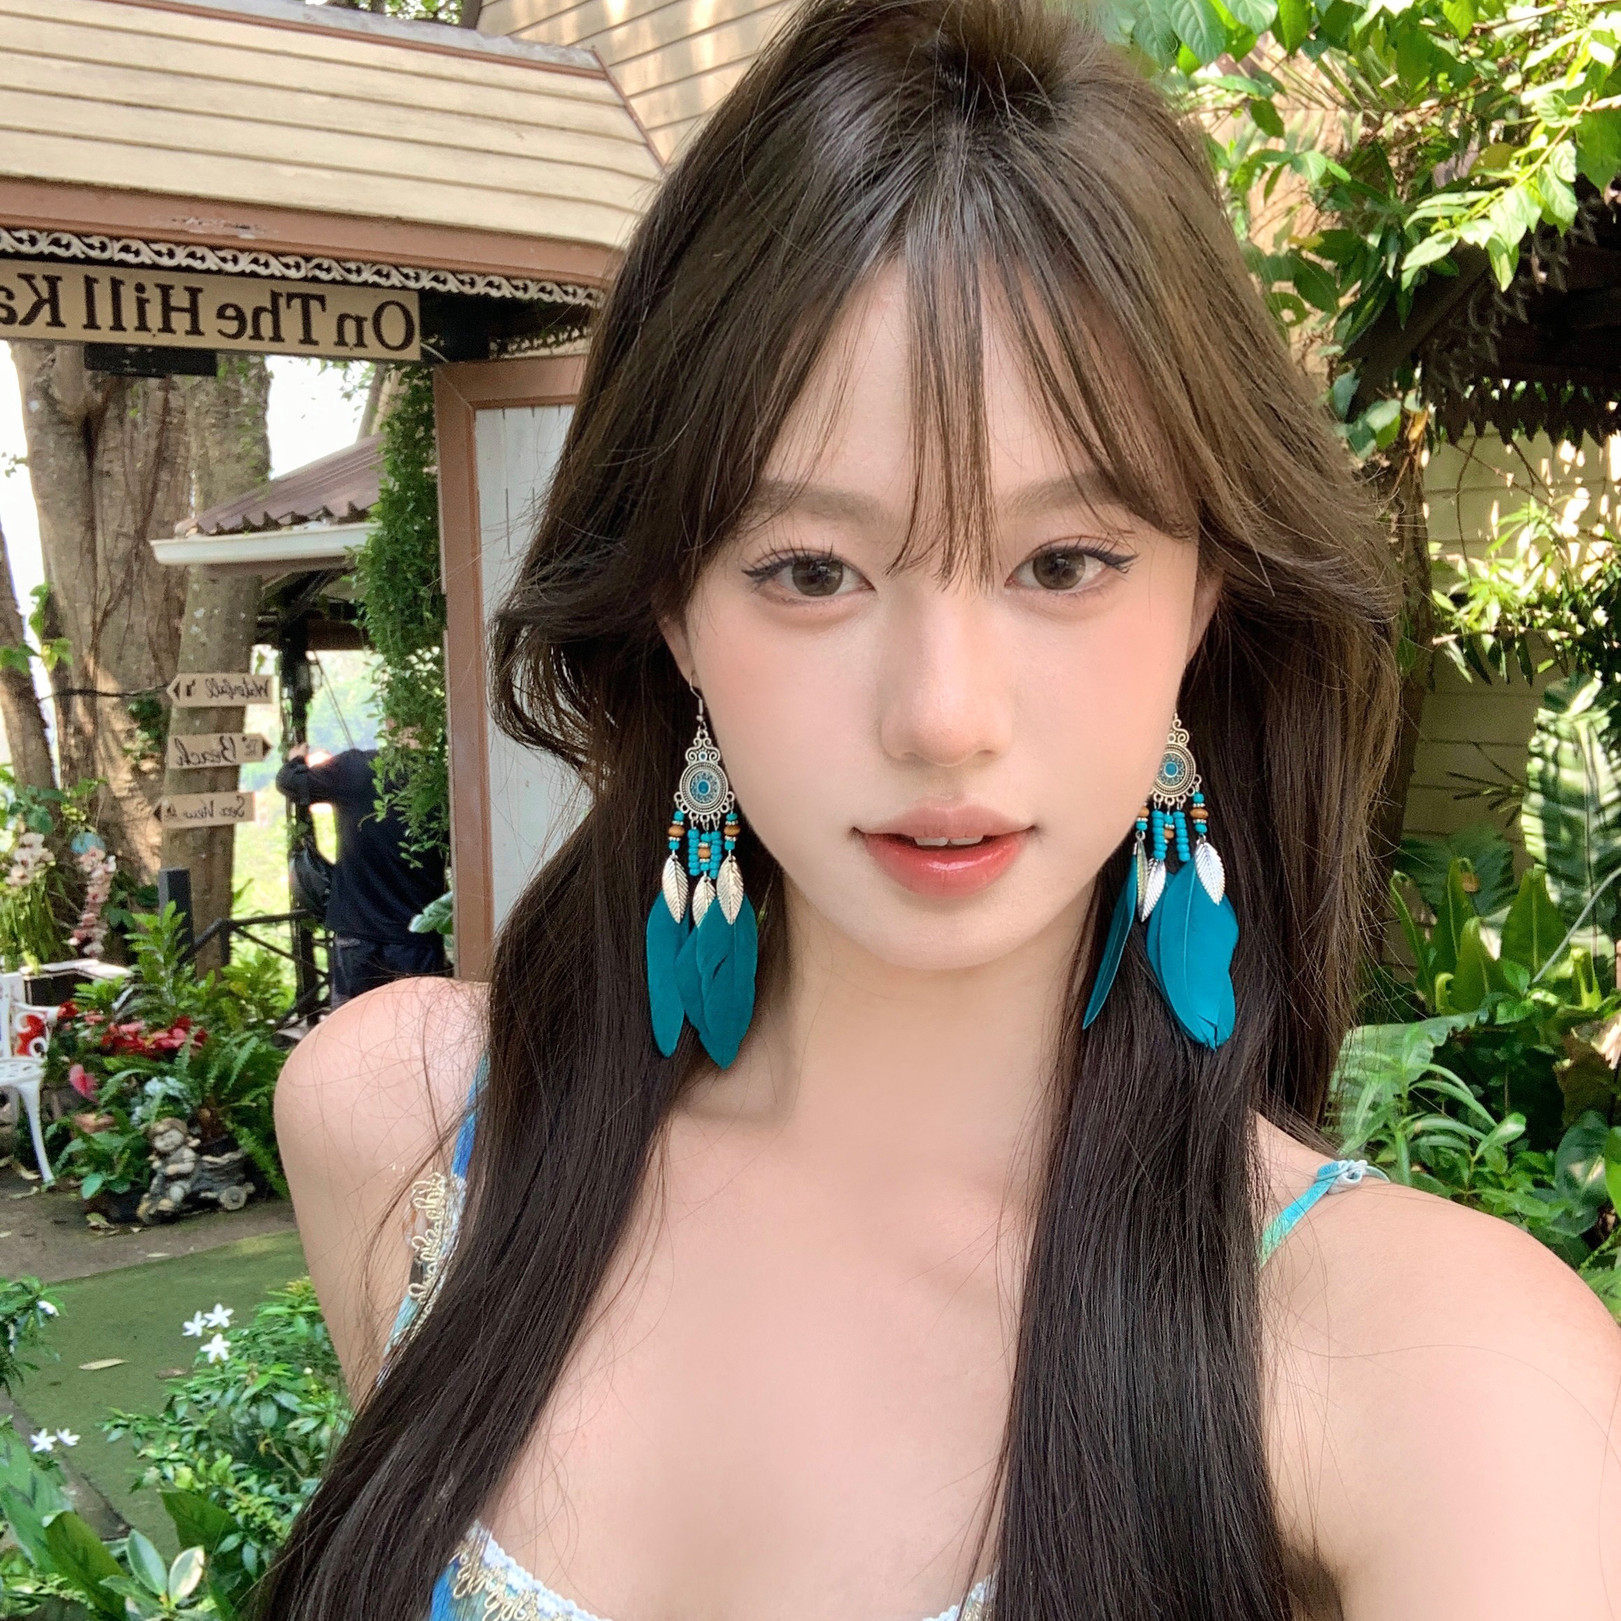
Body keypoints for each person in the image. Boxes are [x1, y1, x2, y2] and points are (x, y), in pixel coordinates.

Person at [263, 0, 1621, 1616]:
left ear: (1205, 597)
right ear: (674, 610)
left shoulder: (1442, 1377)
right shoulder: (409, 1136)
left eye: (1064, 562)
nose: (942, 716)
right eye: (810, 570)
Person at [274, 741, 448, 1008]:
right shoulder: (440, 778)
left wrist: (296, 759)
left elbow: (291, 782)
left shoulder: (356, 767)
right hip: (416, 938)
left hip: (357, 931)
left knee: (353, 1023)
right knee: (417, 1024)